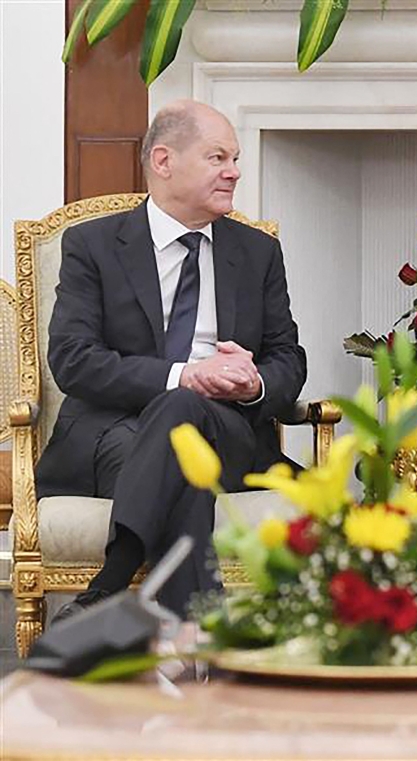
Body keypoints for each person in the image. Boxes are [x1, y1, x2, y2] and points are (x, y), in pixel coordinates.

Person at [37, 100, 307, 620]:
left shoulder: (256, 252)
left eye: (234, 158)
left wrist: (251, 384)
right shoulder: (92, 245)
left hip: (227, 432)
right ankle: (196, 641)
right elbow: (72, 359)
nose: (234, 171)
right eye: (217, 158)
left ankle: (111, 584)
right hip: (114, 436)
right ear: (163, 161)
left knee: (183, 414)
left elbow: (288, 361)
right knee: (182, 445)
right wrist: (184, 375)